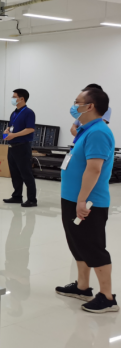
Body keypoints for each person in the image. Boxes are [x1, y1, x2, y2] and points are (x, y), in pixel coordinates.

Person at [55, 87, 118, 313]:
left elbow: (94, 169)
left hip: (88, 202)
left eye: (77, 101)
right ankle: (82, 287)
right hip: (72, 198)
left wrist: (81, 200)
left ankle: (107, 297)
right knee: (78, 244)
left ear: (89, 106)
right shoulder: (86, 129)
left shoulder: (99, 132)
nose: (74, 106)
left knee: (93, 247)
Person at [3, 89, 37, 207]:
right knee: (15, 173)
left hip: (22, 147)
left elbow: (30, 129)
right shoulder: (14, 113)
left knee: (26, 173)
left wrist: (15, 135)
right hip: (12, 147)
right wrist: (7, 130)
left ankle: (32, 199)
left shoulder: (29, 112)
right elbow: (11, 126)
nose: (12, 99)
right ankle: (17, 196)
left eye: (14, 97)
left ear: (22, 99)